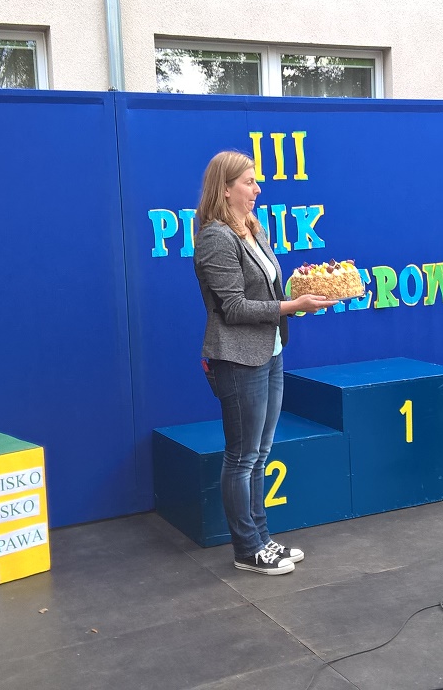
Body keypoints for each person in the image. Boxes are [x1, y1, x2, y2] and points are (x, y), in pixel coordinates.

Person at [193, 150, 336, 575]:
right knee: (241, 457)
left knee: (260, 453)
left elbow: (269, 291)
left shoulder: (253, 228)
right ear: (225, 189)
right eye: (249, 182)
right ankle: (247, 549)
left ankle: (262, 539)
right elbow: (234, 308)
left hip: (270, 351)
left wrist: (300, 299)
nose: (257, 189)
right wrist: (292, 306)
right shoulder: (216, 238)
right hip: (237, 358)